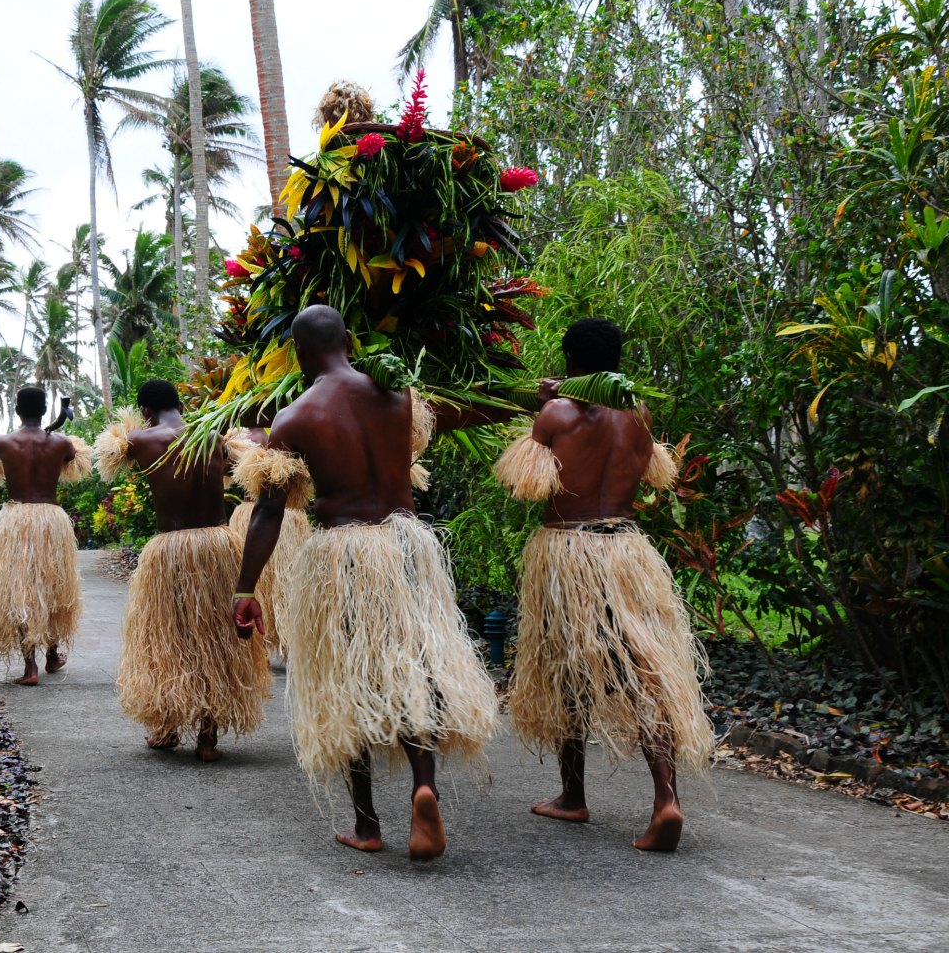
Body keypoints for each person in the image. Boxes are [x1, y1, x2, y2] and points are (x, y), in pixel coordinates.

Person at [232, 305, 519, 861]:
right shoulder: (399, 398)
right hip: (408, 545)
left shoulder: (293, 418)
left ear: (298, 352)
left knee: (349, 677)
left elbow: (268, 513)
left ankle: (367, 824)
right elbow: (455, 417)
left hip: (344, 553)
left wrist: (246, 589)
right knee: (412, 666)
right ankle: (423, 786)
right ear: (348, 341)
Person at [493, 317, 712, 852]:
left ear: (570, 359)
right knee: (643, 671)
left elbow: (526, 485)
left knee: (568, 669)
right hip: (627, 549)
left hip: (568, 552)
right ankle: (666, 798)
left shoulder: (557, 414)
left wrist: (545, 408)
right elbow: (650, 472)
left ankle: (573, 795)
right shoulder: (639, 414)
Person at [98, 380, 270, 762]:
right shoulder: (214, 436)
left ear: (145, 410)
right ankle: (208, 738)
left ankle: (166, 728)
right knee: (215, 636)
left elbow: (117, 454)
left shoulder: (140, 440)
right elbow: (238, 469)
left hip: (170, 549)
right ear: (178, 403)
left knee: (168, 637)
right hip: (218, 545)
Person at [0, 386, 93, 686]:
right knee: (52, 585)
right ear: (44, 409)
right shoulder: (61, 444)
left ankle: (30, 668)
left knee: (22, 592)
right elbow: (73, 457)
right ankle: (52, 654)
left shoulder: (1, 443)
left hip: (17, 520)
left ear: (17, 411)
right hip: (52, 520)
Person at [226, 410, 310, 663]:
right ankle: (286, 640)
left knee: (261, 583)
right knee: (284, 580)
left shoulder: (238, 437)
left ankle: (262, 644)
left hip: (257, 514)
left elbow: (229, 475)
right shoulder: (286, 429)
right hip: (288, 516)